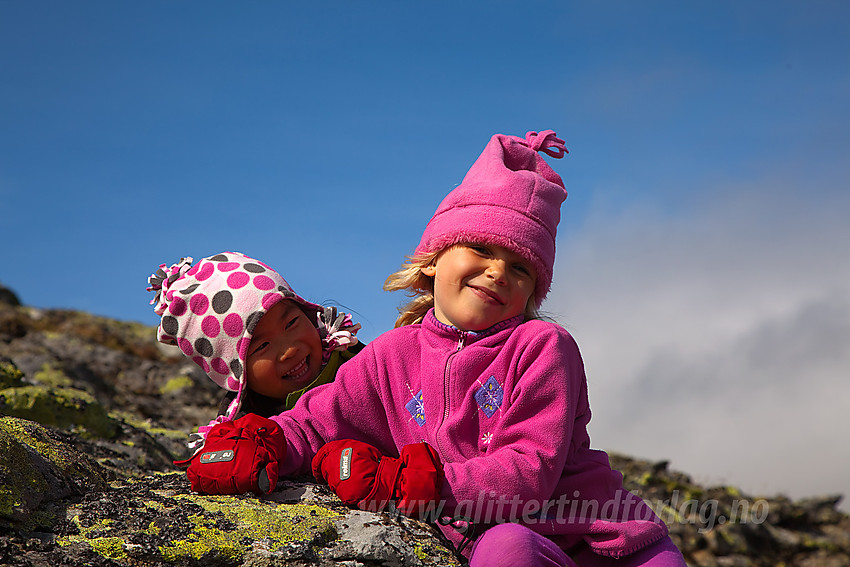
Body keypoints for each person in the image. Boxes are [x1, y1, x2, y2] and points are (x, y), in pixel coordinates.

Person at [193, 132, 687, 566]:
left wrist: (413, 484)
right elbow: (318, 420)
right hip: (510, 543)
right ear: (433, 260)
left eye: (521, 268)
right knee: (505, 548)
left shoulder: (542, 347)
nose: (498, 272)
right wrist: (265, 442)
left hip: (612, 544)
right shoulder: (391, 356)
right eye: (482, 250)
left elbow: (528, 471)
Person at [146, 251, 362, 450]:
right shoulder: (247, 433)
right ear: (236, 373)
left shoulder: (357, 365)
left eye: (291, 323)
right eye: (262, 346)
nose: (289, 350)